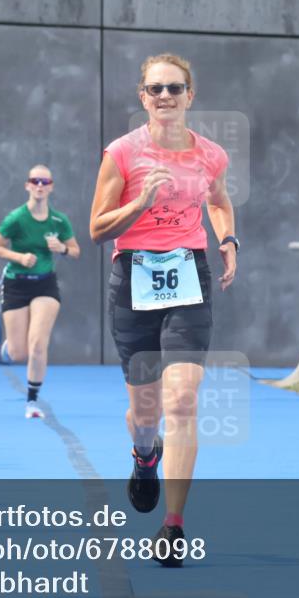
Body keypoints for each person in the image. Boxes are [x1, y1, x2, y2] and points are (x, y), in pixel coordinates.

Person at [89, 53, 239, 566]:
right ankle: (144, 455)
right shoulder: (123, 154)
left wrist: (227, 237)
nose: (166, 97)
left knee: (182, 401)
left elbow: (218, 201)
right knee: (146, 411)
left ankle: (173, 526)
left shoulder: (211, 156)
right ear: (143, 97)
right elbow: (97, 228)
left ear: (190, 96)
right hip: (134, 278)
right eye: (156, 89)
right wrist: (139, 204)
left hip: (189, 276)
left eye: (175, 88)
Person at [0, 164, 80, 419]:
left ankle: (32, 401)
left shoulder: (59, 220)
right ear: (27, 185)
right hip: (16, 283)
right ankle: (11, 345)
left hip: (44, 284)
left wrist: (61, 248)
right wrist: (18, 256)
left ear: (51, 187)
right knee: (20, 353)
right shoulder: (16, 218)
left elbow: (75, 251)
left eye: (45, 182)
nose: (40, 186)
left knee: (38, 343)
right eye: (35, 181)